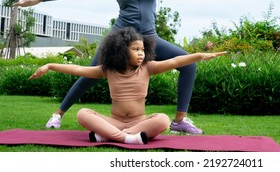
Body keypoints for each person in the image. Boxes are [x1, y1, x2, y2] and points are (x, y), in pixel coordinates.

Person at [15, 0, 243, 134]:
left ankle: (179, 121)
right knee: (91, 75)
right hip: (119, 38)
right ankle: (58, 114)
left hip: (149, 37)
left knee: (188, 63)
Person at [29, 27, 227, 144]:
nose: (141, 53)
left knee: (162, 120)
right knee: (83, 113)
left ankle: (108, 137)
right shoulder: (108, 69)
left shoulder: (149, 68)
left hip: (138, 122)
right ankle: (127, 139)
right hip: (114, 121)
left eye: (142, 49)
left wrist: (200, 56)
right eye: (136, 49)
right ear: (121, 51)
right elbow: (78, 70)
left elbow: (176, 61)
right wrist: (49, 65)